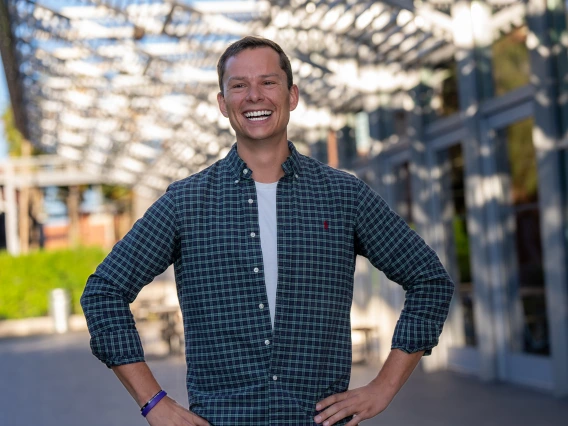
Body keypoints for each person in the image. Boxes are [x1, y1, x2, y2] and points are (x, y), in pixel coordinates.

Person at [81, 36, 454, 426]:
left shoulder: (345, 196)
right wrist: (153, 401)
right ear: (223, 104)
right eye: (239, 86)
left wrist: (384, 387)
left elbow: (429, 281)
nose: (254, 96)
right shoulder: (185, 203)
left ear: (292, 95)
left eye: (268, 82)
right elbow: (104, 293)